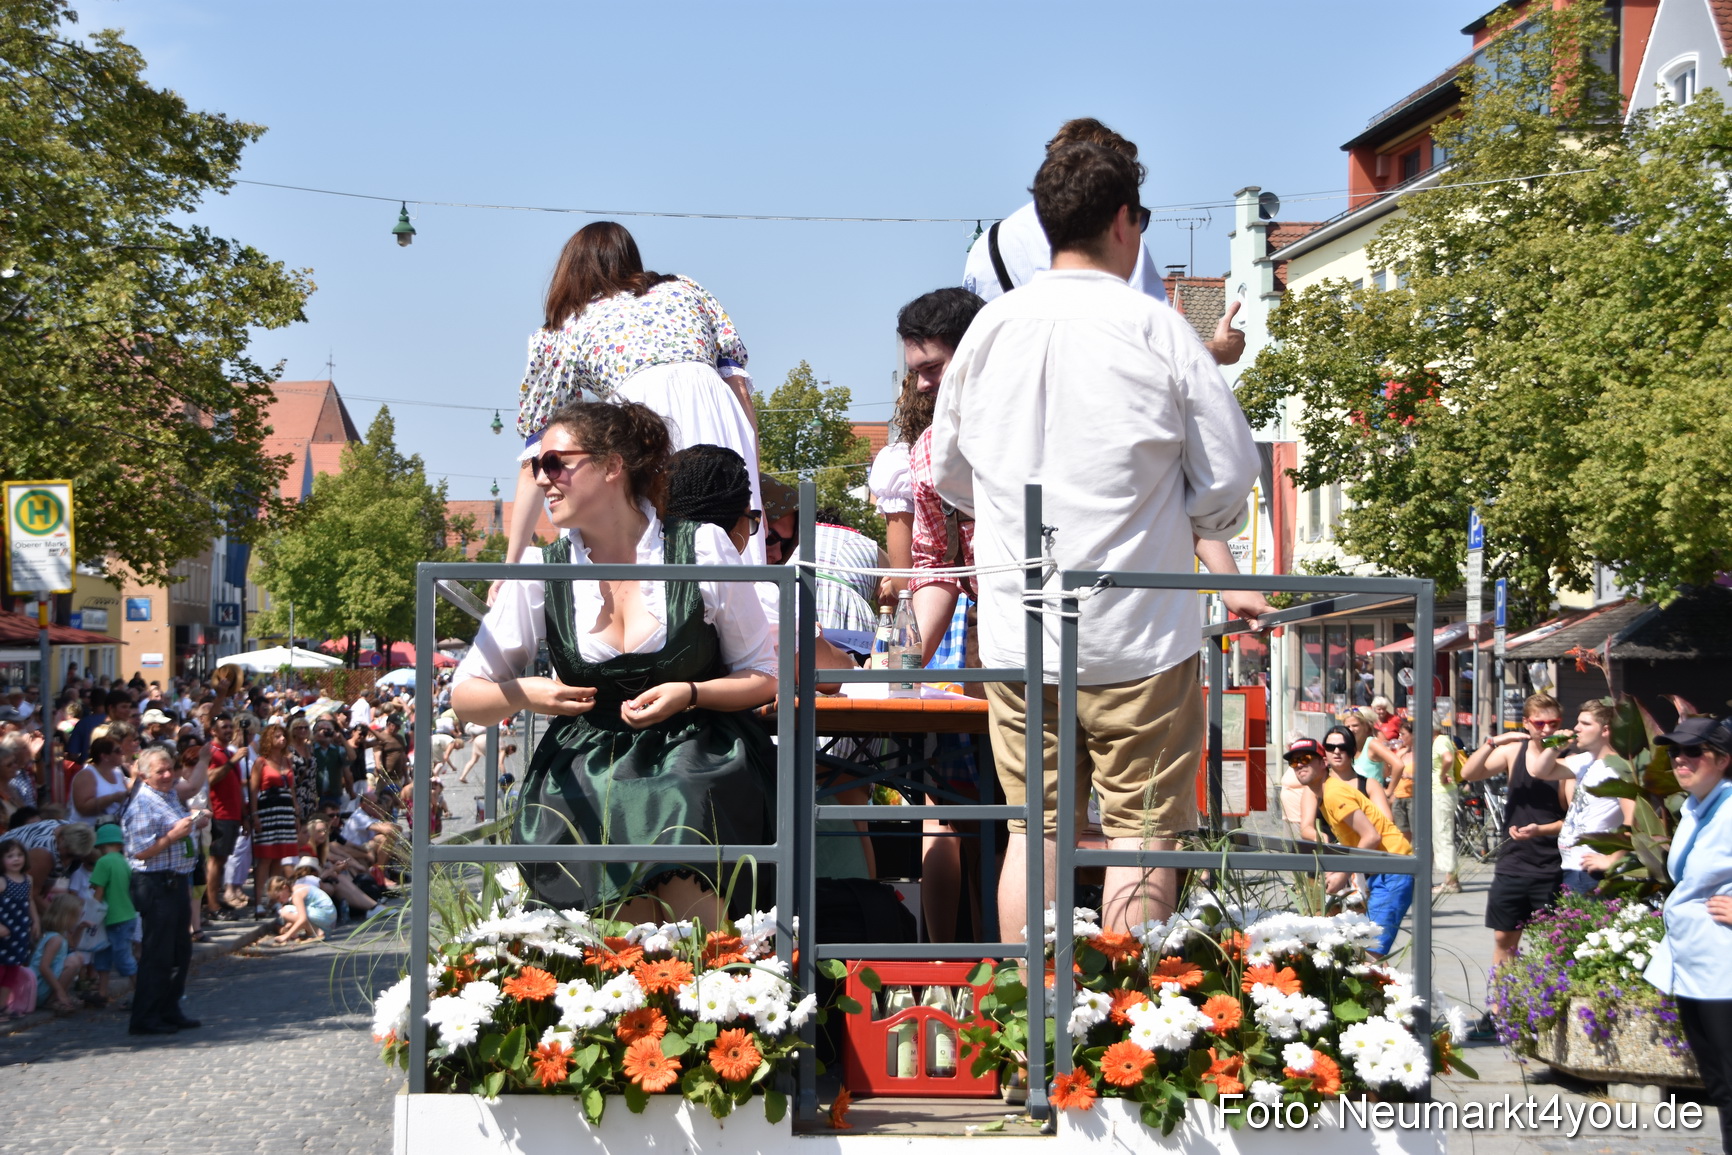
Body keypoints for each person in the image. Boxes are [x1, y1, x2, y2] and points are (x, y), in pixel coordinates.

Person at [927, 141, 1261, 933]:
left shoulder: (991, 329)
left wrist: (1009, 511)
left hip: (1023, 619)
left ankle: (1020, 1034)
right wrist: (1191, 520)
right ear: (1123, 220)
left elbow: (948, 470)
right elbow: (1225, 476)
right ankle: (1122, 1036)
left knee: (1032, 833)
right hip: (1139, 624)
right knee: (1142, 833)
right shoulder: (1158, 328)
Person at [453, 399, 777, 926]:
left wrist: (691, 693)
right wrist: (527, 692)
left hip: (695, 750)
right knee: (594, 806)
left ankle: (712, 983)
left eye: (554, 463)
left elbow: (764, 675)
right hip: (583, 761)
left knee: (681, 799)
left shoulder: (701, 547)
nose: (542, 480)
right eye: (537, 467)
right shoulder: (541, 570)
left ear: (610, 466)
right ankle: (619, 987)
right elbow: (465, 698)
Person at [500, 222, 763, 595]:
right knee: (732, 516)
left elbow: (538, 453)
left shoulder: (563, 328)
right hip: (717, 405)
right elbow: (736, 380)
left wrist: (510, 568)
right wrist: (751, 456)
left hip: (646, 414)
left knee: (656, 536)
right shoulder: (686, 288)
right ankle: (754, 621)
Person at [961, 117, 1243, 365]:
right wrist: (1217, 350)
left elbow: (972, 346)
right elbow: (1157, 347)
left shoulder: (988, 245)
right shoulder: (1118, 235)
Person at [1641, 715, 1732, 1152]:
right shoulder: (1696, 805)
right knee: (1718, 1084)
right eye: (1675, 751)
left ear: (1723, 759)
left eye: (1693, 751)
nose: (1680, 758)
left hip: (1724, 970)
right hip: (1694, 966)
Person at [1460, 693, 1567, 1040]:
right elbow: (1467, 772)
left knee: (1556, 943)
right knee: (1505, 939)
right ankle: (1499, 1012)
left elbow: (1575, 818)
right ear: (1526, 724)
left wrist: (1542, 829)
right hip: (1513, 862)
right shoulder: (1513, 752)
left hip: (1553, 862)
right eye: (1540, 723)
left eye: (1553, 723)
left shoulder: (1569, 760)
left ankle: (1552, 1012)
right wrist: (1493, 741)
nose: (1547, 729)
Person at [1289, 738, 1414, 958]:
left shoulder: (1333, 793)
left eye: (1307, 759)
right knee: (1366, 950)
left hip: (1393, 868)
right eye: (1294, 761)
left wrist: (1343, 873)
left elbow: (1371, 836)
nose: (1300, 764)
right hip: (1380, 869)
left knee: (1370, 953)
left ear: (1322, 763)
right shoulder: (1325, 795)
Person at [121, 742, 210, 1036]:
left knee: (179, 952)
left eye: (170, 769)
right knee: (157, 953)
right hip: (155, 883)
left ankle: (169, 1008)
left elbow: (179, 823)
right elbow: (140, 851)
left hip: (176, 879)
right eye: (161, 771)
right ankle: (145, 1016)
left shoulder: (169, 794)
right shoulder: (142, 804)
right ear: (145, 776)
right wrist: (174, 835)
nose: (168, 774)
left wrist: (195, 823)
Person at [1555, 700, 1637, 896]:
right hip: (1573, 867)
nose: (1576, 728)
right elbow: (1538, 769)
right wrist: (1553, 745)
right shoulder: (1586, 761)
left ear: (1605, 730)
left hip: (1591, 872)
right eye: (1578, 722)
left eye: (1585, 724)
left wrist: (1612, 859)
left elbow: (1634, 820)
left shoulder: (1618, 768)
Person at [248, 723, 302, 918]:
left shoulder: (287, 762)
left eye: (283, 736)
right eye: (277, 736)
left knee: (280, 857)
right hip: (267, 811)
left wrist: (296, 813)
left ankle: (273, 898)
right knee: (265, 857)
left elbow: (292, 790)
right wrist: (254, 815)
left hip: (285, 810)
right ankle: (259, 900)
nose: (282, 739)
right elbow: (253, 790)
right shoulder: (260, 762)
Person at [87, 823, 136, 1006]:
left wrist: (90, 914)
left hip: (112, 917)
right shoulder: (123, 861)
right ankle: (102, 993)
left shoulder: (103, 862)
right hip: (127, 913)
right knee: (108, 954)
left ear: (100, 845)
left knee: (118, 957)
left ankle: (140, 994)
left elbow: (98, 893)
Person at [0, 837, 38, 1018]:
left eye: (19, 855)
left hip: (19, 931)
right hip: (3, 932)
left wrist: (35, 921)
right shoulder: (2, 881)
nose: (16, 859)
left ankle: (3, 1005)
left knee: (13, 969)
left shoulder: (27, 880)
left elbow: (29, 901)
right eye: (10, 856)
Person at [30, 891, 86, 1014]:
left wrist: (80, 929)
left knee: (76, 957)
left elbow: (73, 946)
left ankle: (56, 996)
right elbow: (43, 967)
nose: (78, 920)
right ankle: (55, 999)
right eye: (76, 917)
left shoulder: (62, 934)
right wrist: (59, 991)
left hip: (44, 986)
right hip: (39, 989)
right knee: (74, 961)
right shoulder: (55, 939)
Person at [70, 734, 131, 826]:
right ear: (105, 756)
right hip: (87, 833)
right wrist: (112, 798)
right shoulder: (86, 775)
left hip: (110, 831)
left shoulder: (118, 772)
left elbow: (126, 796)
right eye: (118, 751)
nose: (122, 753)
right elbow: (83, 808)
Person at [1343, 707, 1403, 788]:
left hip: (1372, 798)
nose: (1351, 729)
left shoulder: (1372, 744)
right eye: (1347, 727)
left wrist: (1389, 791)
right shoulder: (1348, 746)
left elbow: (1398, 765)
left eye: (1355, 725)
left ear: (1365, 726)